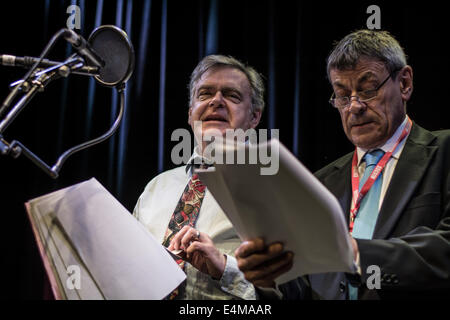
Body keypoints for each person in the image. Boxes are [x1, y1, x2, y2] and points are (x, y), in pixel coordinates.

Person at [234, 30, 450, 299]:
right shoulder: (320, 183)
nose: (354, 107)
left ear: (404, 83)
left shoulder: (444, 152)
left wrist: (356, 253)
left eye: (368, 90)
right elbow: (303, 289)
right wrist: (268, 278)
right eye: (342, 95)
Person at [133, 55, 264, 299]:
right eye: (205, 94)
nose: (216, 101)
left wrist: (225, 269)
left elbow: (294, 290)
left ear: (254, 117)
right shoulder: (155, 189)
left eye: (232, 95)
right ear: (191, 112)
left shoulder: (274, 189)